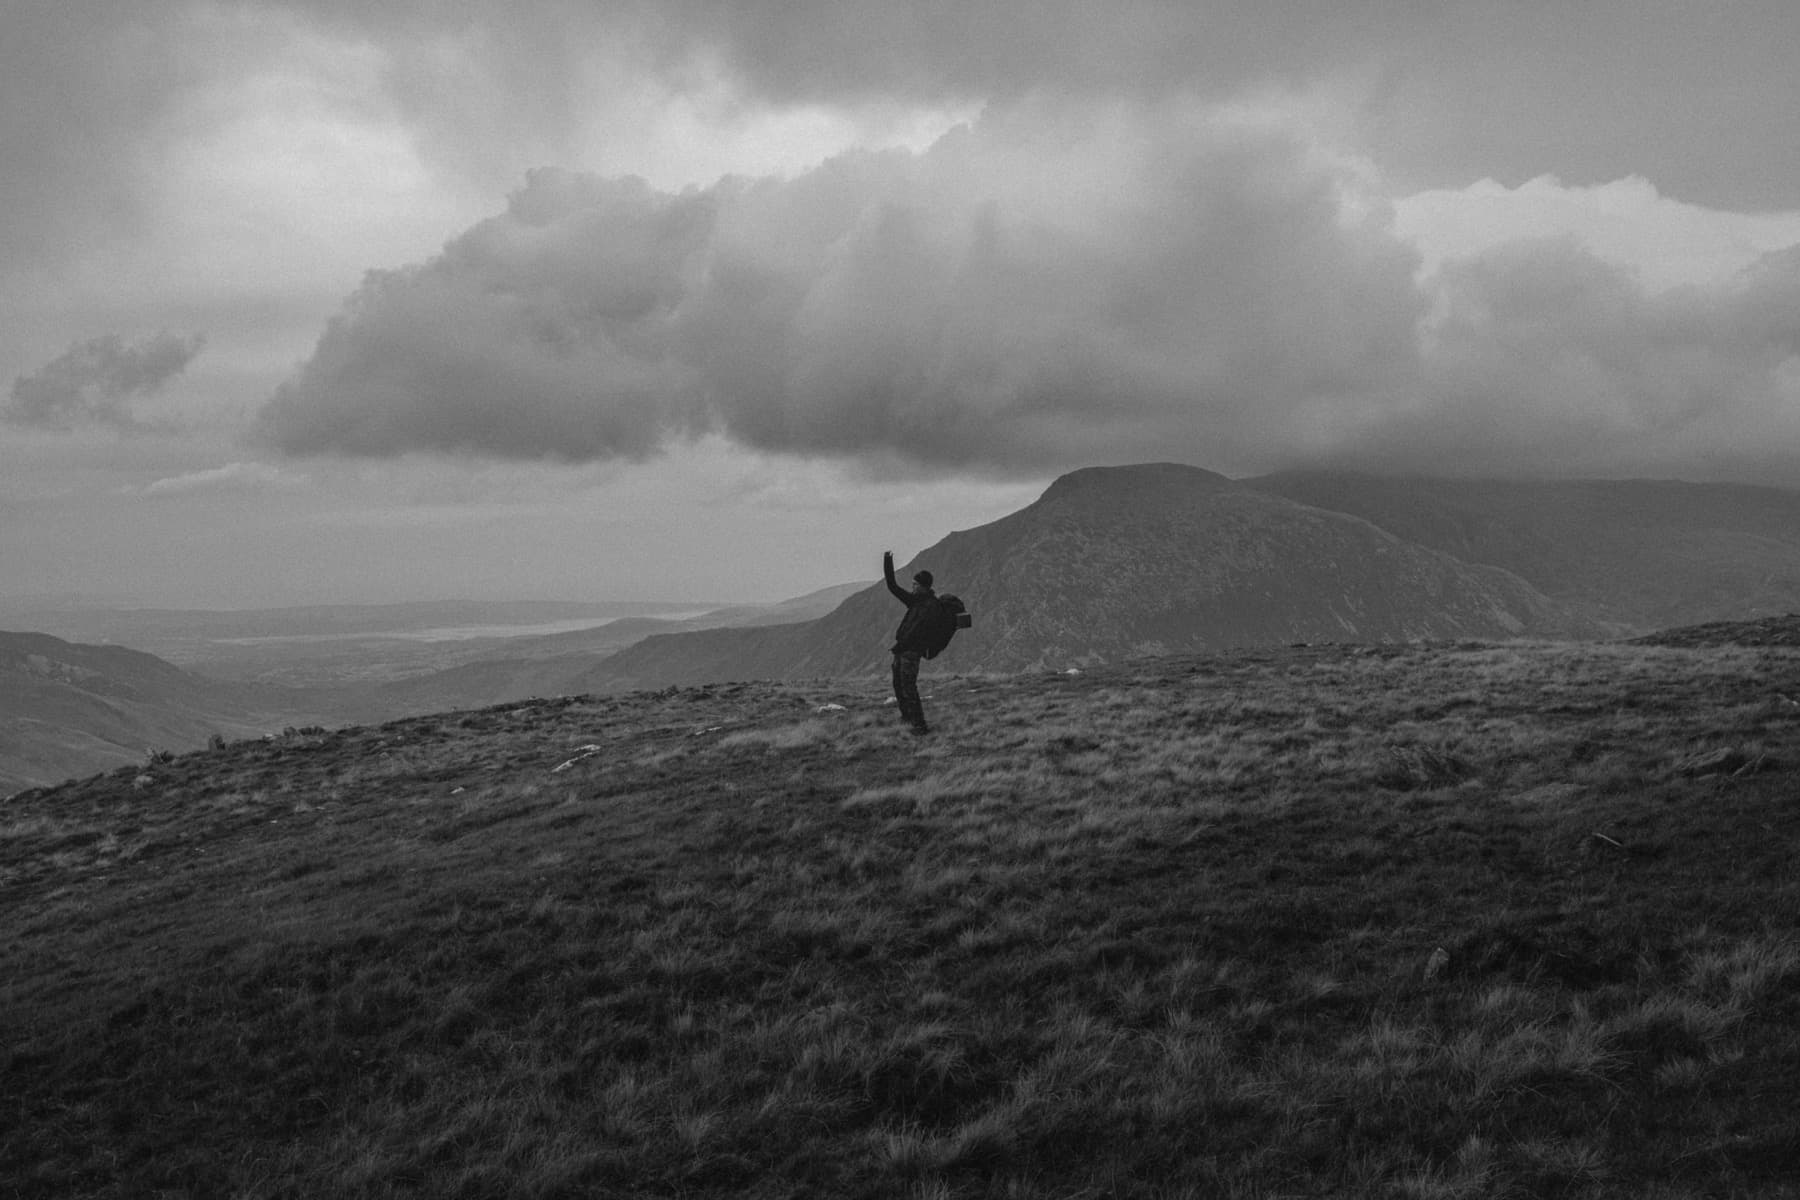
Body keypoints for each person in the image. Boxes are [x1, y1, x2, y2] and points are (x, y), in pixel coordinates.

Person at [883, 550, 937, 735]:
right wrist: (887, 561)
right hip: (902, 651)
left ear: (923, 586)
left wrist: (906, 645)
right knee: (899, 686)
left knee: (908, 687)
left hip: (911, 652)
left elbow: (920, 632)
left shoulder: (931, 606)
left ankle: (919, 725)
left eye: (915, 585)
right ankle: (907, 718)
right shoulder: (916, 601)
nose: (912, 587)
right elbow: (893, 586)